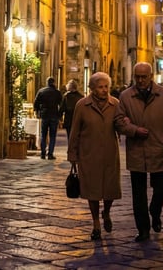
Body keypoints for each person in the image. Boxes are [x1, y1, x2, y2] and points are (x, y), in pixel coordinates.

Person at [115, 62, 163, 242]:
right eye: (138, 77)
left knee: (161, 189)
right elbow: (119, 121)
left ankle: (155, 211)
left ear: (151, 76)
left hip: (158, 149)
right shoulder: (126, 96)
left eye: (144, 77)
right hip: (137, 150)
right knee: (138, 193)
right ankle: (143, 229)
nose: (141, 80)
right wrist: (134, 130)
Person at [67, 72, 122, 241]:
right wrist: (72, 154)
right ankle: (96, 222)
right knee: (92, 190)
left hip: (110, 153)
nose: (105, 90)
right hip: (88, 154)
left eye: (107, 86)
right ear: (92, 88)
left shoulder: (116, 104)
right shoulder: (82, 105)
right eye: (101, 87)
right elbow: (75, 131)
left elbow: (121, 125)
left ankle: (106, 212)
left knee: (110, 189)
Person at [32, 76, 63, 159]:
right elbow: (61, 104)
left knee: (43, 134)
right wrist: (60, 115)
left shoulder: (41, 91)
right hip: (54, 115)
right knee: (52, 135)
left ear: (47, 83)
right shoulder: (57, 92)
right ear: (54, 83)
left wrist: (37, 111)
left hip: (44, 115)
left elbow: (36, 103)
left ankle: (42, 153)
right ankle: (50, 154)